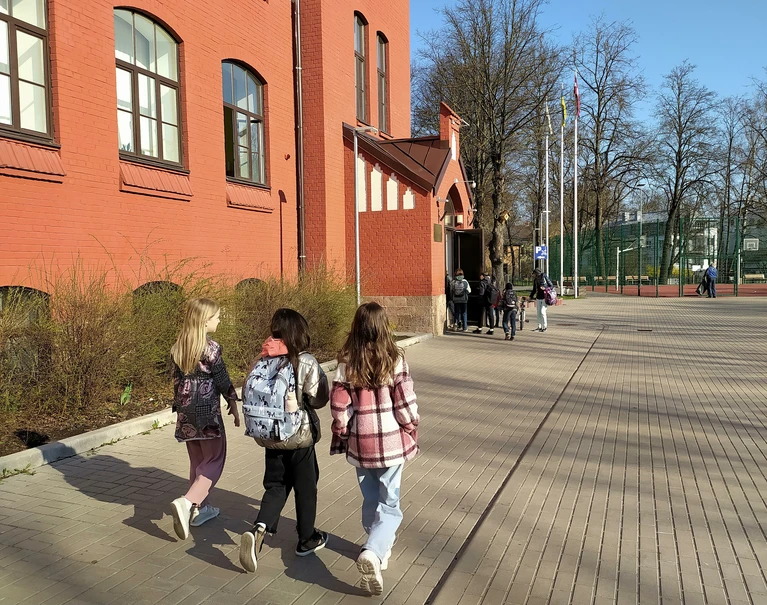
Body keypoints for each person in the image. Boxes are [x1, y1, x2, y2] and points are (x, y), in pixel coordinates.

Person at [330, 302, 420, 596]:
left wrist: (343, 430)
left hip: (360, 441)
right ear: (383, 327)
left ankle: (379, 549)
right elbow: (405, 403)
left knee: (370, 497)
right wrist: (411, 425)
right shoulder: (394, 359)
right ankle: (373, 550)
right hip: (390, 442)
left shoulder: (347, 361)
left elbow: (339, 406)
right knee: (390, 503)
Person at [239, 309, 330, 573]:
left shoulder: (263, 358)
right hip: (299, 437)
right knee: (305, 487)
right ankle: (307, 538)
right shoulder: (304, 360)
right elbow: (319, 398)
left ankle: (259, 528)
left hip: (270, 436)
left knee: (276, 485)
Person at [169, 298, 240, 541]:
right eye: (217, 317)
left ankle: (201, 509)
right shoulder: (211, 348)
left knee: (198, 460)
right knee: (215, 459)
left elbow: (176, 380)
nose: (219, 321)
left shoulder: (178, 347)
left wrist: (179, 407)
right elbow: (221, 378)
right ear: (204, 321)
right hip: (207, 411)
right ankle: (188, 502)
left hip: (186, 410)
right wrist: (233, 402)